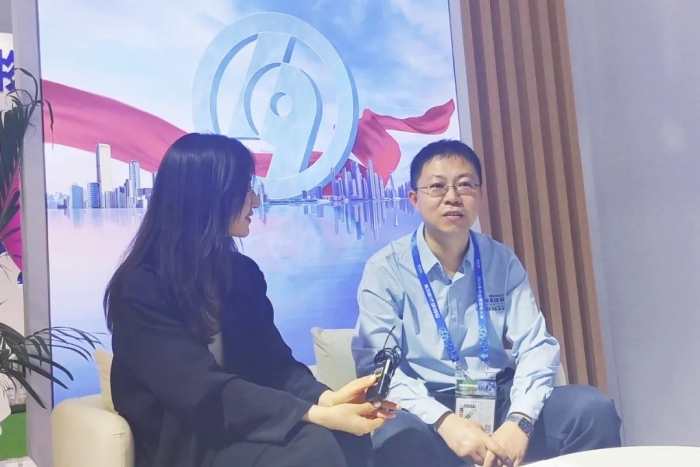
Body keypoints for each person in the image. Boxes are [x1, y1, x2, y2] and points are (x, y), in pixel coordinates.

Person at [104, 133, 396, 467]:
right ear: (208, 197)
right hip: (187, 441)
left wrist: (327, 399)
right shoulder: (141, 288)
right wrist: (311, 414)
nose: (255, 201)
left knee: (348, 434)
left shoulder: (241, 274)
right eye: (245, 190)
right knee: (312, 447)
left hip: (241, 427)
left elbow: (274, 364)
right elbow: (199, 391)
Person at [351, 139, 622, 467]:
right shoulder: (386, 269)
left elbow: (536, 345)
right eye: (437, 186)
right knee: (393, 434)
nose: (452, 196)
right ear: (414, 199)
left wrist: (520, 420)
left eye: (465, 184)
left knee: (591, 410)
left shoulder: (500, 261)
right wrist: (445, 421)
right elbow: (378, 369)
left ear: (479, 194)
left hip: (498, 398)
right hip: (425, 410)